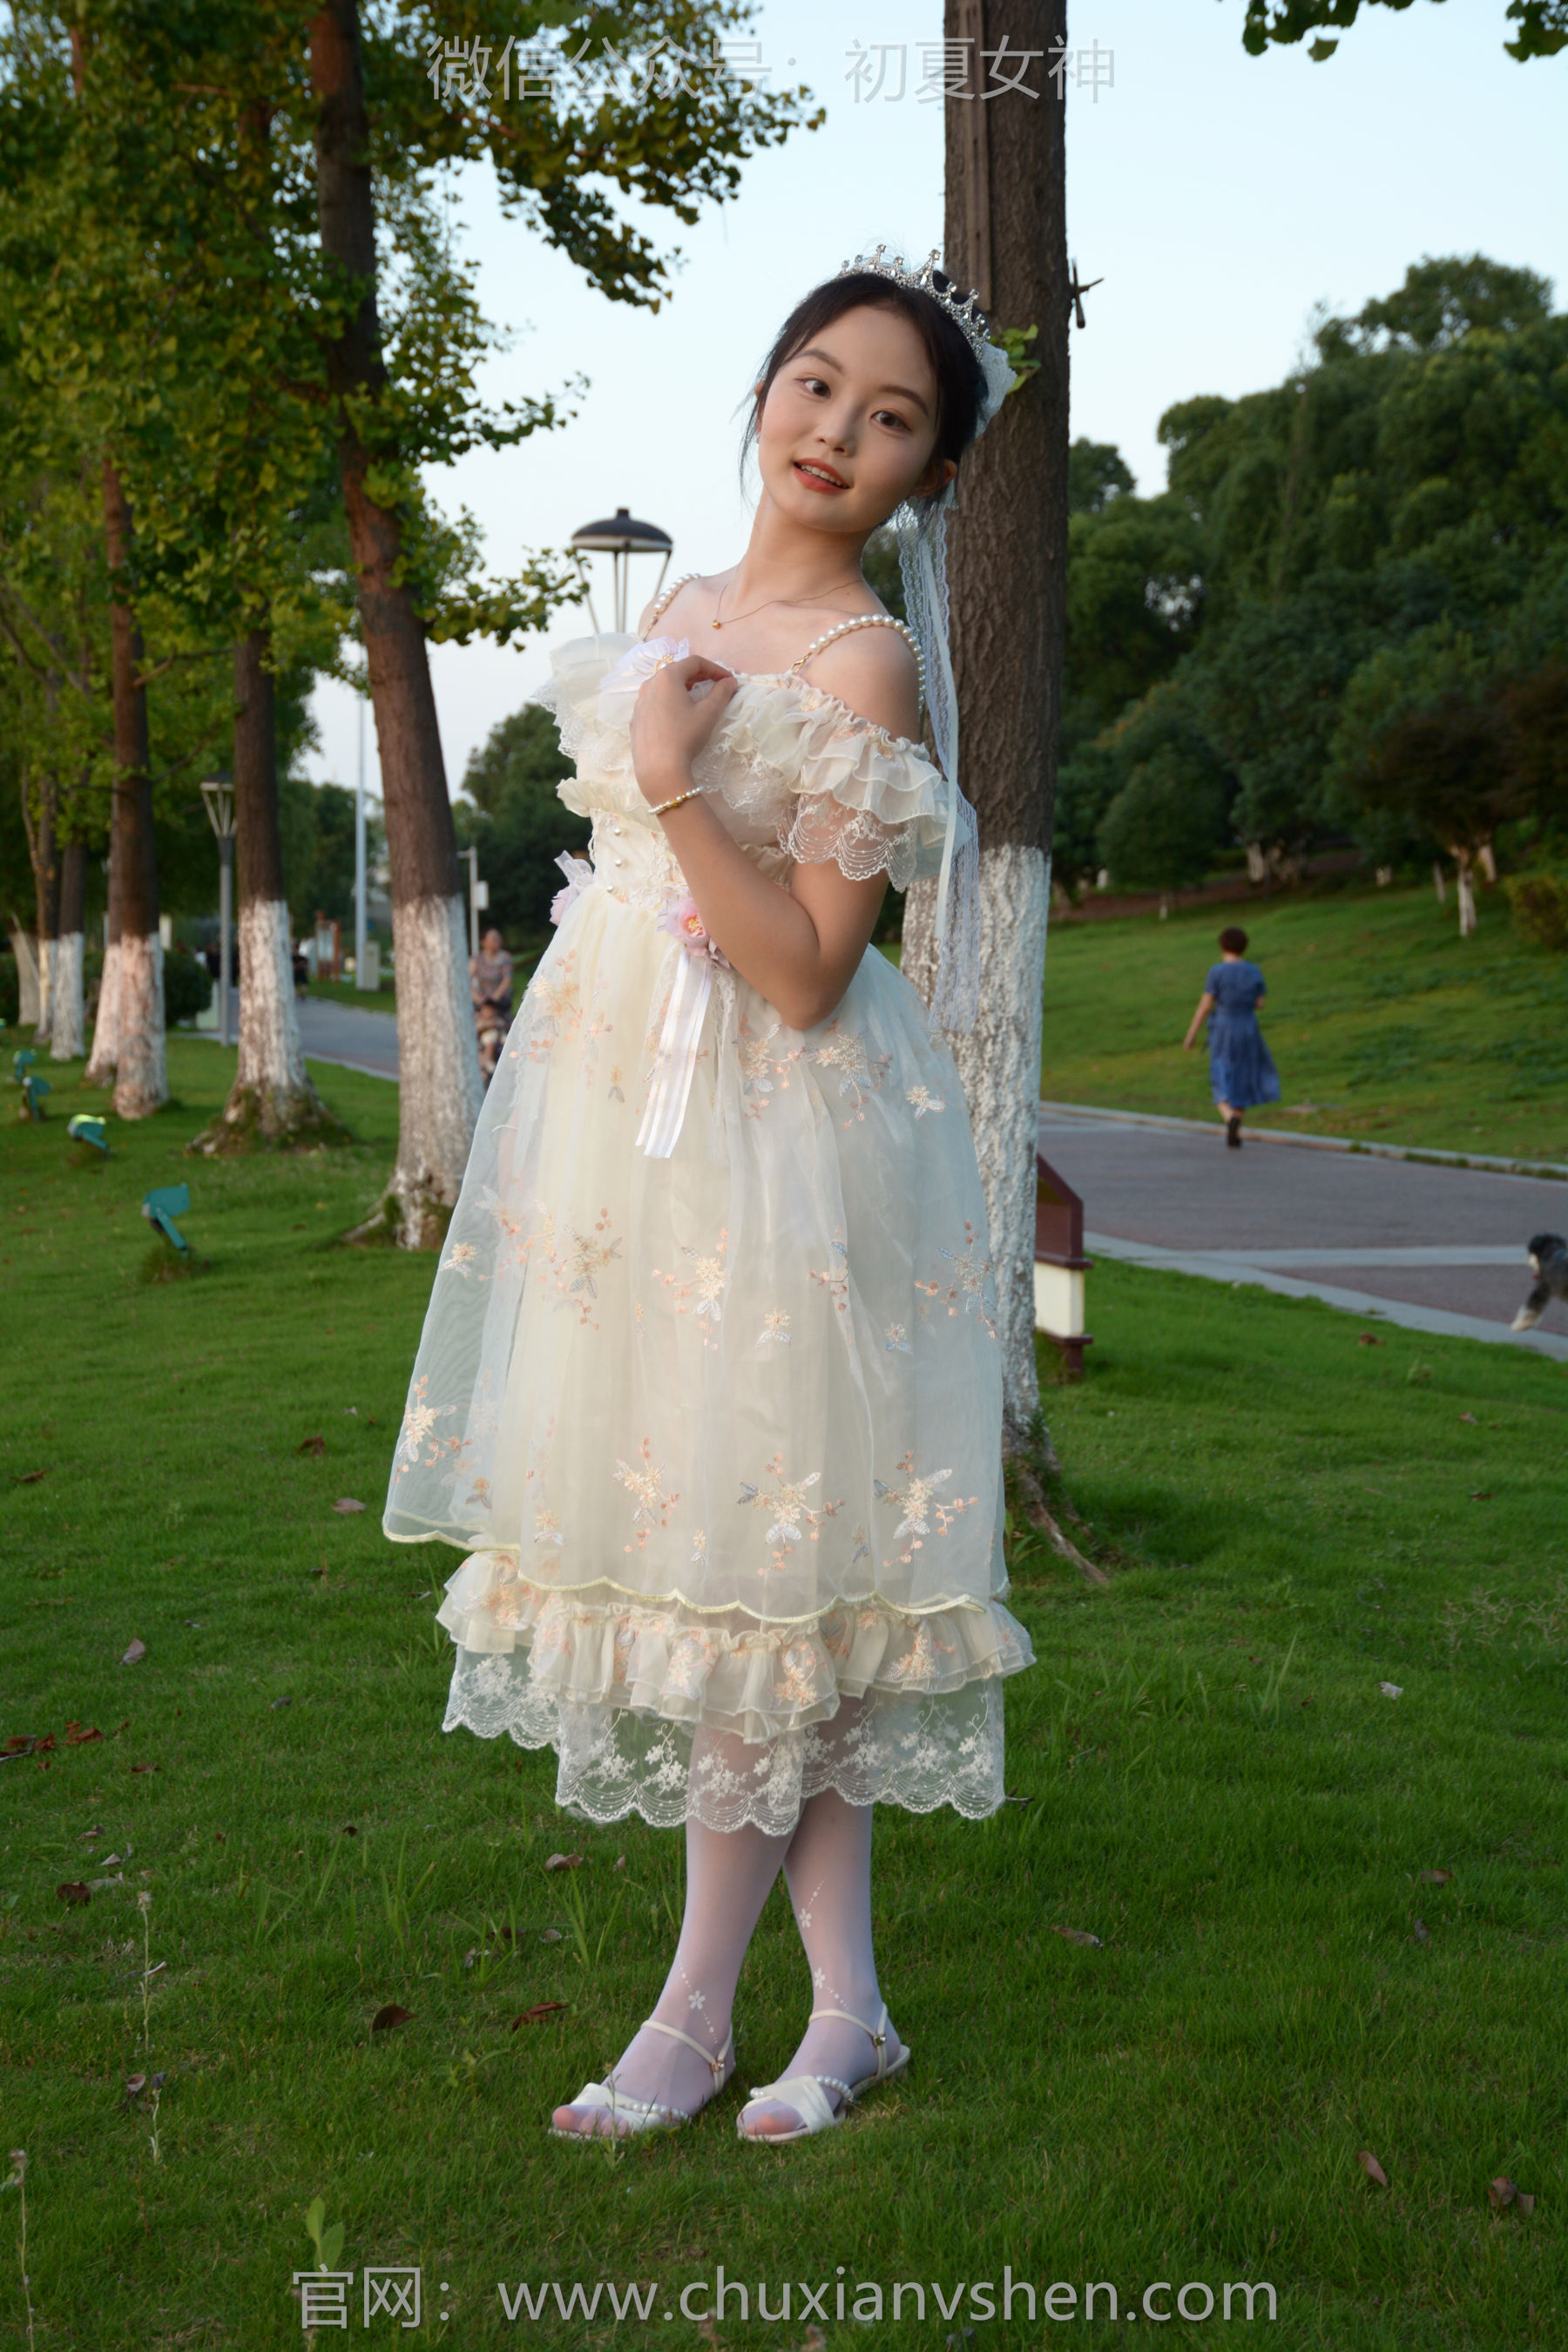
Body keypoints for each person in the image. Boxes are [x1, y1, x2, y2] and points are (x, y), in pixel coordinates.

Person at [383, 247, 1035, 2146]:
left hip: (779, 1147)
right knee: (759, 1586)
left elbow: (813, 969)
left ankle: (688, 2016)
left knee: (768, 1581)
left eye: (891, 418)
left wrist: (675, 790)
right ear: (766, 390)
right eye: (817, 383)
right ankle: (848, 2015)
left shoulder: (864, 660)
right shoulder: (676, 603)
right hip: (632, 1153)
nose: (837, 431)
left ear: (927, 475)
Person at [1183, 924, 1281, 1146]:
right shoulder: (1253, 970)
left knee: (1220, 1074)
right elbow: (1260, 1003)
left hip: (1224, 1027)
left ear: (1222, 946)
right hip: (1248, 1026)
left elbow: (1206, 1006)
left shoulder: (1216, 972)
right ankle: (1237, 1123)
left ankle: (1230, 1118)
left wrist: (1191, 1034)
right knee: (1243, 1075)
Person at [469, 925, 515, 1087]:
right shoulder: (476, 960)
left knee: (501, 1031)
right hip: (482, 1007)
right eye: (493, 938)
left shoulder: (505, 957)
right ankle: (485, 1065)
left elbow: (507, 980)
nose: (497, 941)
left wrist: (493, 1000)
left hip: (499, 1006)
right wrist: (481, 1000)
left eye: (498, 938)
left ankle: (495, 1066)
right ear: (484, 942)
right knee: (483, 1030)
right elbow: (468, 980)